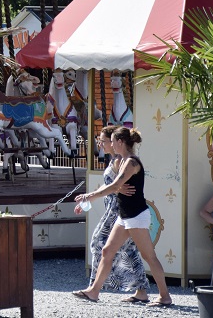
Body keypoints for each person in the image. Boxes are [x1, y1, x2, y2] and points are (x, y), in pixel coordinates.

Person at [72, 127, 172, 307]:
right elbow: (114, 186)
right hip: (125, 216)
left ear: (120, 142)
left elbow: (115, 185)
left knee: (149, 256)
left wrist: (89, 196)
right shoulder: (122, 160)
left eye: (112, 141)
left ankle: (164, 296)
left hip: (136, 216)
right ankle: (94, 291)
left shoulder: (132, 162)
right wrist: (108, 191)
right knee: (107, 251)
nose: (110, 145)